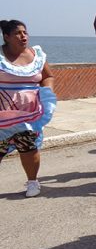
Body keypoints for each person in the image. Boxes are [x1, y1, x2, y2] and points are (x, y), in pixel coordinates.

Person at [0, 20, 56, 197]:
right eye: (18, 33)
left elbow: (48, 76)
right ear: (6, 37)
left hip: (29, 113)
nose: (23, 36)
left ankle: (33, 182)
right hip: (3, 112)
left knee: (28, 147)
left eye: (25, 32)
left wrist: (47, 95)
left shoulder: (37, 54)